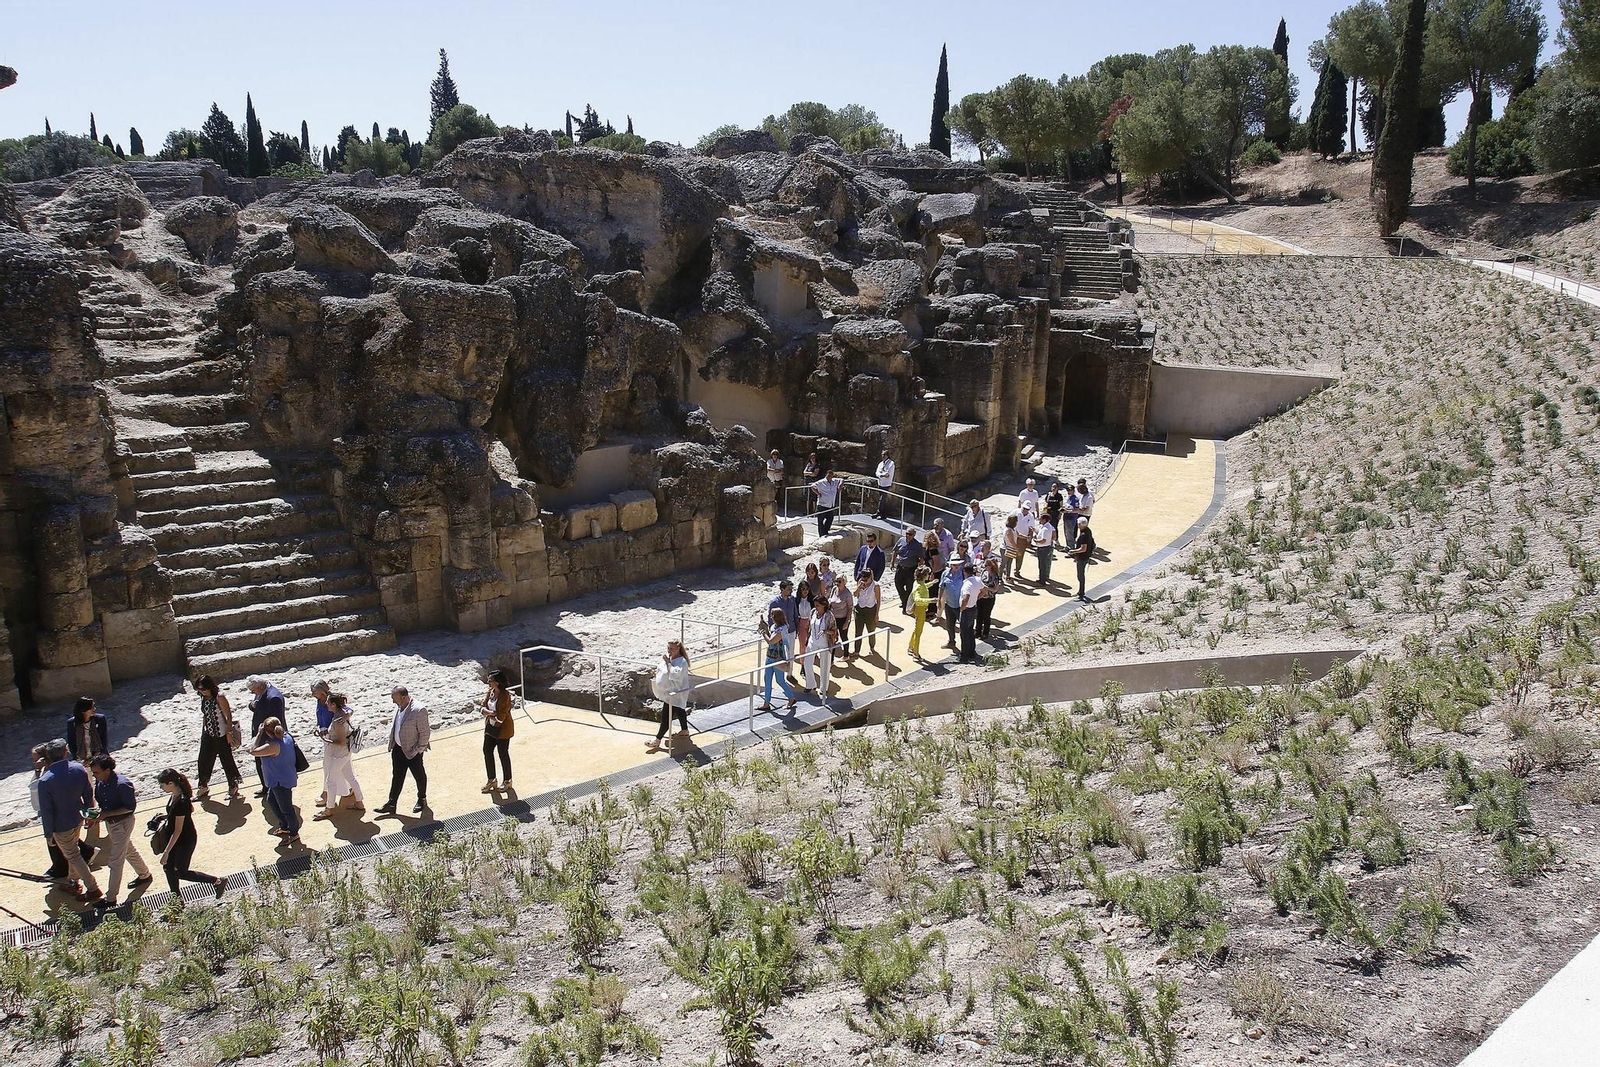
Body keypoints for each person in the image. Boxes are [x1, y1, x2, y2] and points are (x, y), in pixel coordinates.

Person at [37, 740, 101, 902]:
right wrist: (90, 817)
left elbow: (47, 811)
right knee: (74, 852)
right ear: (65, 752)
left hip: (61, 826)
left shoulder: (45, 781)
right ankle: (73, 881)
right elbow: (88, 795)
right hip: (78, 818)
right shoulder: (78, 769)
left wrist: (48, 834)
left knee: (73, 855)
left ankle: (92, 888)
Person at [86, 754, 153, 907]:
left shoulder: (122, 784)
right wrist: (95, 816)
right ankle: (145, 875)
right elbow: (103, 805)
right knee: (128, 850)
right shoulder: (101, 782)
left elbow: (129, 808)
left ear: (107, 770)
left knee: (115, 861)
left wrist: (106, 814)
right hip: (112, 824)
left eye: (96, 772)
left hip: (122, 824)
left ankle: (111, 898)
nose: (94, 775)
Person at [155, 769, 226, 899]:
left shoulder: (182, 802)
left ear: (170, 783)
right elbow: (174, 815)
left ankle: (217, 881)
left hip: (184, 841)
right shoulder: (175, 795)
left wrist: (166, 852)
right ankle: (177, 900)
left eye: (162, 785)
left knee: (181, 872)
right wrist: (161, 817)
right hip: (175, 839)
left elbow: (178, 830)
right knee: (168, 869)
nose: (161, 787)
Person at [376, 686, 430, 815]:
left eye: (394, 698)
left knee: (419, 776)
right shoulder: (399, 706)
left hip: (412, 750)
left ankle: (422, 799)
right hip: (398, 749)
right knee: (397, 776)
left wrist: (418, 750)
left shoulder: (419, 710)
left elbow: (425, 733)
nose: (393, 701)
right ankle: (392, 803)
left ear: (404, 697)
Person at [249, 718, 301, 845]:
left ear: (267, 732)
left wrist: (259, 734)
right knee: (271, 801)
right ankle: (285, 826)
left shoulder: (273, 746)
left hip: (280, 781)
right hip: (281, 778)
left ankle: (294, 833)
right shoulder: (287, 737)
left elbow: (253, 750)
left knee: (287, 809)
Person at [316, 693, 365, 818]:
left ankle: (328, 809)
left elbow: (341, 742)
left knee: (330, 781)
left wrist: (325, 739)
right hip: (345, 753)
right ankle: (359, 802)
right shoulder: (342, 713)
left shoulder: (338, 721)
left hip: (339, 754)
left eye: (328, 702)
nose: (326, 704)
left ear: (333, 704)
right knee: (351, 777)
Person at [193, 675, 242, 800]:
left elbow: (228, 716)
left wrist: (229, 733)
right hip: (208, 733)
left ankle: (233, 785)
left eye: (203, 689)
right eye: (199, 689)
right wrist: (203, 731)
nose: (201, 692)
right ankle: (203, 786)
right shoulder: (203, 698)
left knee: (226, 760)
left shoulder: (219, 697)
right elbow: (205, 715)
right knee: (203, 760)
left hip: (221, 733)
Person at [648, 640, 692, 754]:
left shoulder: (682, 661)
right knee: (680, 709)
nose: (669, 651)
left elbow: (675, 675)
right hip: (668, 692)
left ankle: (657, 739)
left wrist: (668, 663)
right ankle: (685, 730)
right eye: (668, 648)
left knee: (667, 717)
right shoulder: (670, 658)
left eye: (672, 649)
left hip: (676, 693)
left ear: (678, 649)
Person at [246, 676, 286, 795]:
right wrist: (252, 705)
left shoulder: (274, 697)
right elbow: (255, 706)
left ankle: (272, 789)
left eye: (253, 691)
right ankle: (265, 787)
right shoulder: (261, 692)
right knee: (261, 763)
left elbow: (276, 721)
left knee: (271, 764)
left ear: (260, 686)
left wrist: (270, 738)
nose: (253, 693)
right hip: (261, 733)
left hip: (269, 736)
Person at [480, 670, 516, 792]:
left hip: (503, 730)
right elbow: (482, 708)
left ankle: (507, 780)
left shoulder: (505, 695)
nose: (488, 683)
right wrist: (491, 713)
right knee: (487, 751)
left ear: (498, 682)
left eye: (490, 681)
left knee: (503, 753)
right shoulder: (490, 692)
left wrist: (488, 713)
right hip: (490, 727)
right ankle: (491, 779)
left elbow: (501, 717)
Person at [757, 611, 800, 712]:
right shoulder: (774, 627)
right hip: (770, 656)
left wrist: (763, 632)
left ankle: (791, 698)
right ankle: (766, 703)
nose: (771, 617)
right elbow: (770, 637)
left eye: (773, 615)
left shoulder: (782, 630)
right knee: (767, 680)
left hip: (778, 658)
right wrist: (766, 629)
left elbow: (770, 641)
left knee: (780, 680)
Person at [802, 596, 837, 696]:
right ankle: (810, 684)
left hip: (824, 643)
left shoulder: (829, 615)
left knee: (824, 666)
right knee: (807, 663)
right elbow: (809, 625)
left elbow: (834, 631)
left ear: (824, 605)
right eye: (815, 605)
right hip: (812, 641)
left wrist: (826, 631)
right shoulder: (813, 612)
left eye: (818, 605)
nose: (816, 607)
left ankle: (823, 688)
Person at [767, 579, 800, 680]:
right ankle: (779, 673)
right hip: (780, 633)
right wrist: (773, 632)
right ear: (782, 589)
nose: (791, 591)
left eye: (791, 589)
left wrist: (797, 628)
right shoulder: (774, 602)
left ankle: (789, 674)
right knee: (780, 653)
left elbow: (795, 614)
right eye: (789, 589)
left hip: (791, 630)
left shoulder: (792, 600)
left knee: (791, 652)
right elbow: (770, 619)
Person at [891, 525, 924, 613]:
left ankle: (906, 606)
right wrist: (892, 562)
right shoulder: (901, 540)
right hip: (900, 568)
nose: (907, 535)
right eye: (906, 533)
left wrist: (919, 570)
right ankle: (904, 601)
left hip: (911, 570)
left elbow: (921, 559)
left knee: (909, 589)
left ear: (914, 535)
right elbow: (895, 551)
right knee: (898, 585)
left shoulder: (917, 545)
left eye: (910, 534)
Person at [65, 697, 108, 763]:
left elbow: (103, 740)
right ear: (83, 710)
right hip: (81, 759)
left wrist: (96, 757)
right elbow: (72, 742)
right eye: (91, 708)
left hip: (99, 757)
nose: (94, 709)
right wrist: (79, 759)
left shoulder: (100, 719)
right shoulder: (72, 723)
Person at [907, 565, 936, 660]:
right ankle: (915, 653)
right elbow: (918, 599)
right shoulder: (918, 586)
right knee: (918, 632)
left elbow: (924, 586)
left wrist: (932, 583)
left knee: (916, 629)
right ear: (924, 576)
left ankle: (911, 647)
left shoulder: (918, 583)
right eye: (928, 574)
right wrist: (931, 600)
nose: (929, 575)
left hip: (920, 609)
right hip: (920, 610)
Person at [958, 562, 984, 664]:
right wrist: (977, 598)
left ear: (964, 571)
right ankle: (971, 652)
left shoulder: (966, 584)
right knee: (970, 631)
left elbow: (966, 597)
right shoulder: (977, 580)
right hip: (973, 608)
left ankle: (964, 657)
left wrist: (962, 608)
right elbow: (984, 590)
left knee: (964, 634)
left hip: (966, 610)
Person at [853, 570, 881, 658]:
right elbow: (855, 594)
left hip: (870, 610)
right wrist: (859, 587)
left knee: (871, 630)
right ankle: (856, 651)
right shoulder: (860, 582)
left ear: (870, 577)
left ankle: (872, 647)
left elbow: (878, 601)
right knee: (858, 631)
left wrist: (876, 614)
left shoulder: (875, 586)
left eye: (866, 579)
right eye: (863, 578)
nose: (864, 580)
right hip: (860, 609)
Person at [1069, 516, 1097, 601]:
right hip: (1085, 556)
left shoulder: (1084, 535)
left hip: (1082, 557)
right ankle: (1080, 591)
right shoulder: (1088, 530)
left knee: (1080, 575)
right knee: (1080, 575)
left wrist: (1073, 551)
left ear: (1080, 525)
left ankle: (1081, 592)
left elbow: (1083, 548)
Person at [939, 557, 964, 650]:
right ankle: (951, 642)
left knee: (963, 627)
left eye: (958, 564)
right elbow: (941, 587)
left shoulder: (963, 573)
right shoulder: (945, 574)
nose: (956, 566)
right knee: (949, 625)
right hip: (949, 604)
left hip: (961, 605)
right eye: (954, 565)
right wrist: (939, 600)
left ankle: (965, 646)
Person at [976, 557, 1004, 640]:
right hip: (981, 597)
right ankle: (977, 632)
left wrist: (987, 588)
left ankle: (985, 633)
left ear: (990, 566)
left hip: (989, 599)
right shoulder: (983, 573)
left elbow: (995, 589)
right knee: (979, 615)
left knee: (986, 616)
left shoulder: (995, 576)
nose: (984, 567)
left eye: (986, 565)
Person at [828, 575, 854, 660]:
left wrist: (847, 621)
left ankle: (846, 655)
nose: (837, 583)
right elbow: (830, 599)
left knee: (844, 637)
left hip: (843, 619)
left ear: (844, 582)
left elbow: (850, 608)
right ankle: (831, 659)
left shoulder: (847, 593)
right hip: (833, 619)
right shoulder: (834, 589)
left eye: (839, 581)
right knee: (833, 638)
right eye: (836, 581)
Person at [812, 468, 842, 537]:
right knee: (820, 521)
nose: (829, 477)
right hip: (822, 505)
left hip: (830, 505)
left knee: (830, 519)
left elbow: (842, 480)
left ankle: (825, 532)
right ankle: (821, 535)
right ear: (826, 475)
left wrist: (840, 485)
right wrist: (818, 494)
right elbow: (812, 486)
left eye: (831, 476)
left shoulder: (834, 481)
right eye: (828, 476)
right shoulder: (821, 482)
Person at [1032, 511, 1057, 584]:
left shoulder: (1045, 529)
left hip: (1043, 548)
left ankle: (1042, 580)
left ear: (1044, 520)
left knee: (1042, 565)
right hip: (1045, 547)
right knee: (1043, 564)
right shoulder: (1047, 526)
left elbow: (1043, 540)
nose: (1039, 520)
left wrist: (1035, 540)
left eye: (1040, 519)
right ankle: (1043, 578)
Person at [872, 449, 896, 519]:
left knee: (882, 498)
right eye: (882, 455)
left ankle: (879, 513)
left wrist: (881, 475)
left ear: (887, 455)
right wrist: (881, 475)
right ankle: (883, 514)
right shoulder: (881, 463)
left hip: (886, 484)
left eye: (884, 455)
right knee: (882, 499)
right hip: (880, 483)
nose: (883, 456)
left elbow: (887, 474)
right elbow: (877, 473)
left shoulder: (891, 463)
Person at [1001, 514, 1022, 580]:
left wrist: (1027, 537)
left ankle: (1008, 576)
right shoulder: (1009, 530)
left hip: (1010, 549)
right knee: (1003, 564)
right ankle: (999, 577)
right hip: (1006, 549)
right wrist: (1017, 550)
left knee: (1009, 563)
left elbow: (1019, 535)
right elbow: (1012, 541)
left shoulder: (1013, 529)